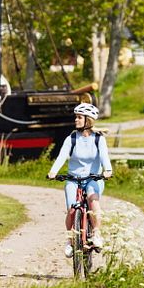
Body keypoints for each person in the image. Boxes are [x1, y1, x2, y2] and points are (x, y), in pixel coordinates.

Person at [47, 101, 112, 257]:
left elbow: (104, 157)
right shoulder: (72, 138)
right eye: (76, 117)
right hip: (73, 179)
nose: (76, 120)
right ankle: (70, 240)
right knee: (71, 210)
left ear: (87, 120)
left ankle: (96, 234)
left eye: (79, 117)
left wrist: (107, 170)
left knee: (92, 200)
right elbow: (62, 156)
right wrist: (53, 171)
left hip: (93, 179)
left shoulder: (98, 139)